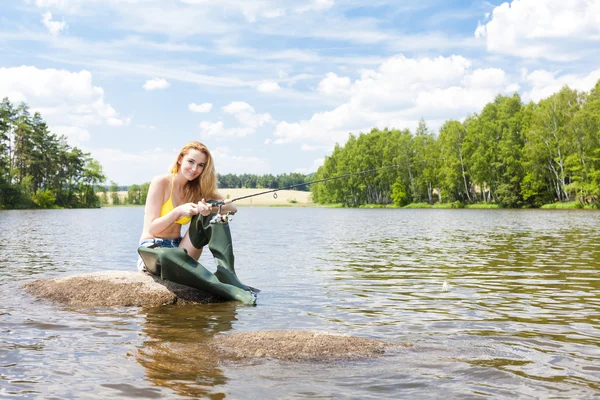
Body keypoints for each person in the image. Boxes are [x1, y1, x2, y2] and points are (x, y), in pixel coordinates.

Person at [137, 141, 237, 273]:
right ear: (180, 159)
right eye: (191, 161)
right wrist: (179, 211)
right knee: (168, 260)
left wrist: (208, 207)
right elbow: (152, 228)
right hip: (153, 246)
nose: (195, 169)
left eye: (200, 165)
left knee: (207, 218)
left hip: (180, 247)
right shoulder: (161, 182)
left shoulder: (196, 191)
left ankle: (227, 272)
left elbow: (232, 208)